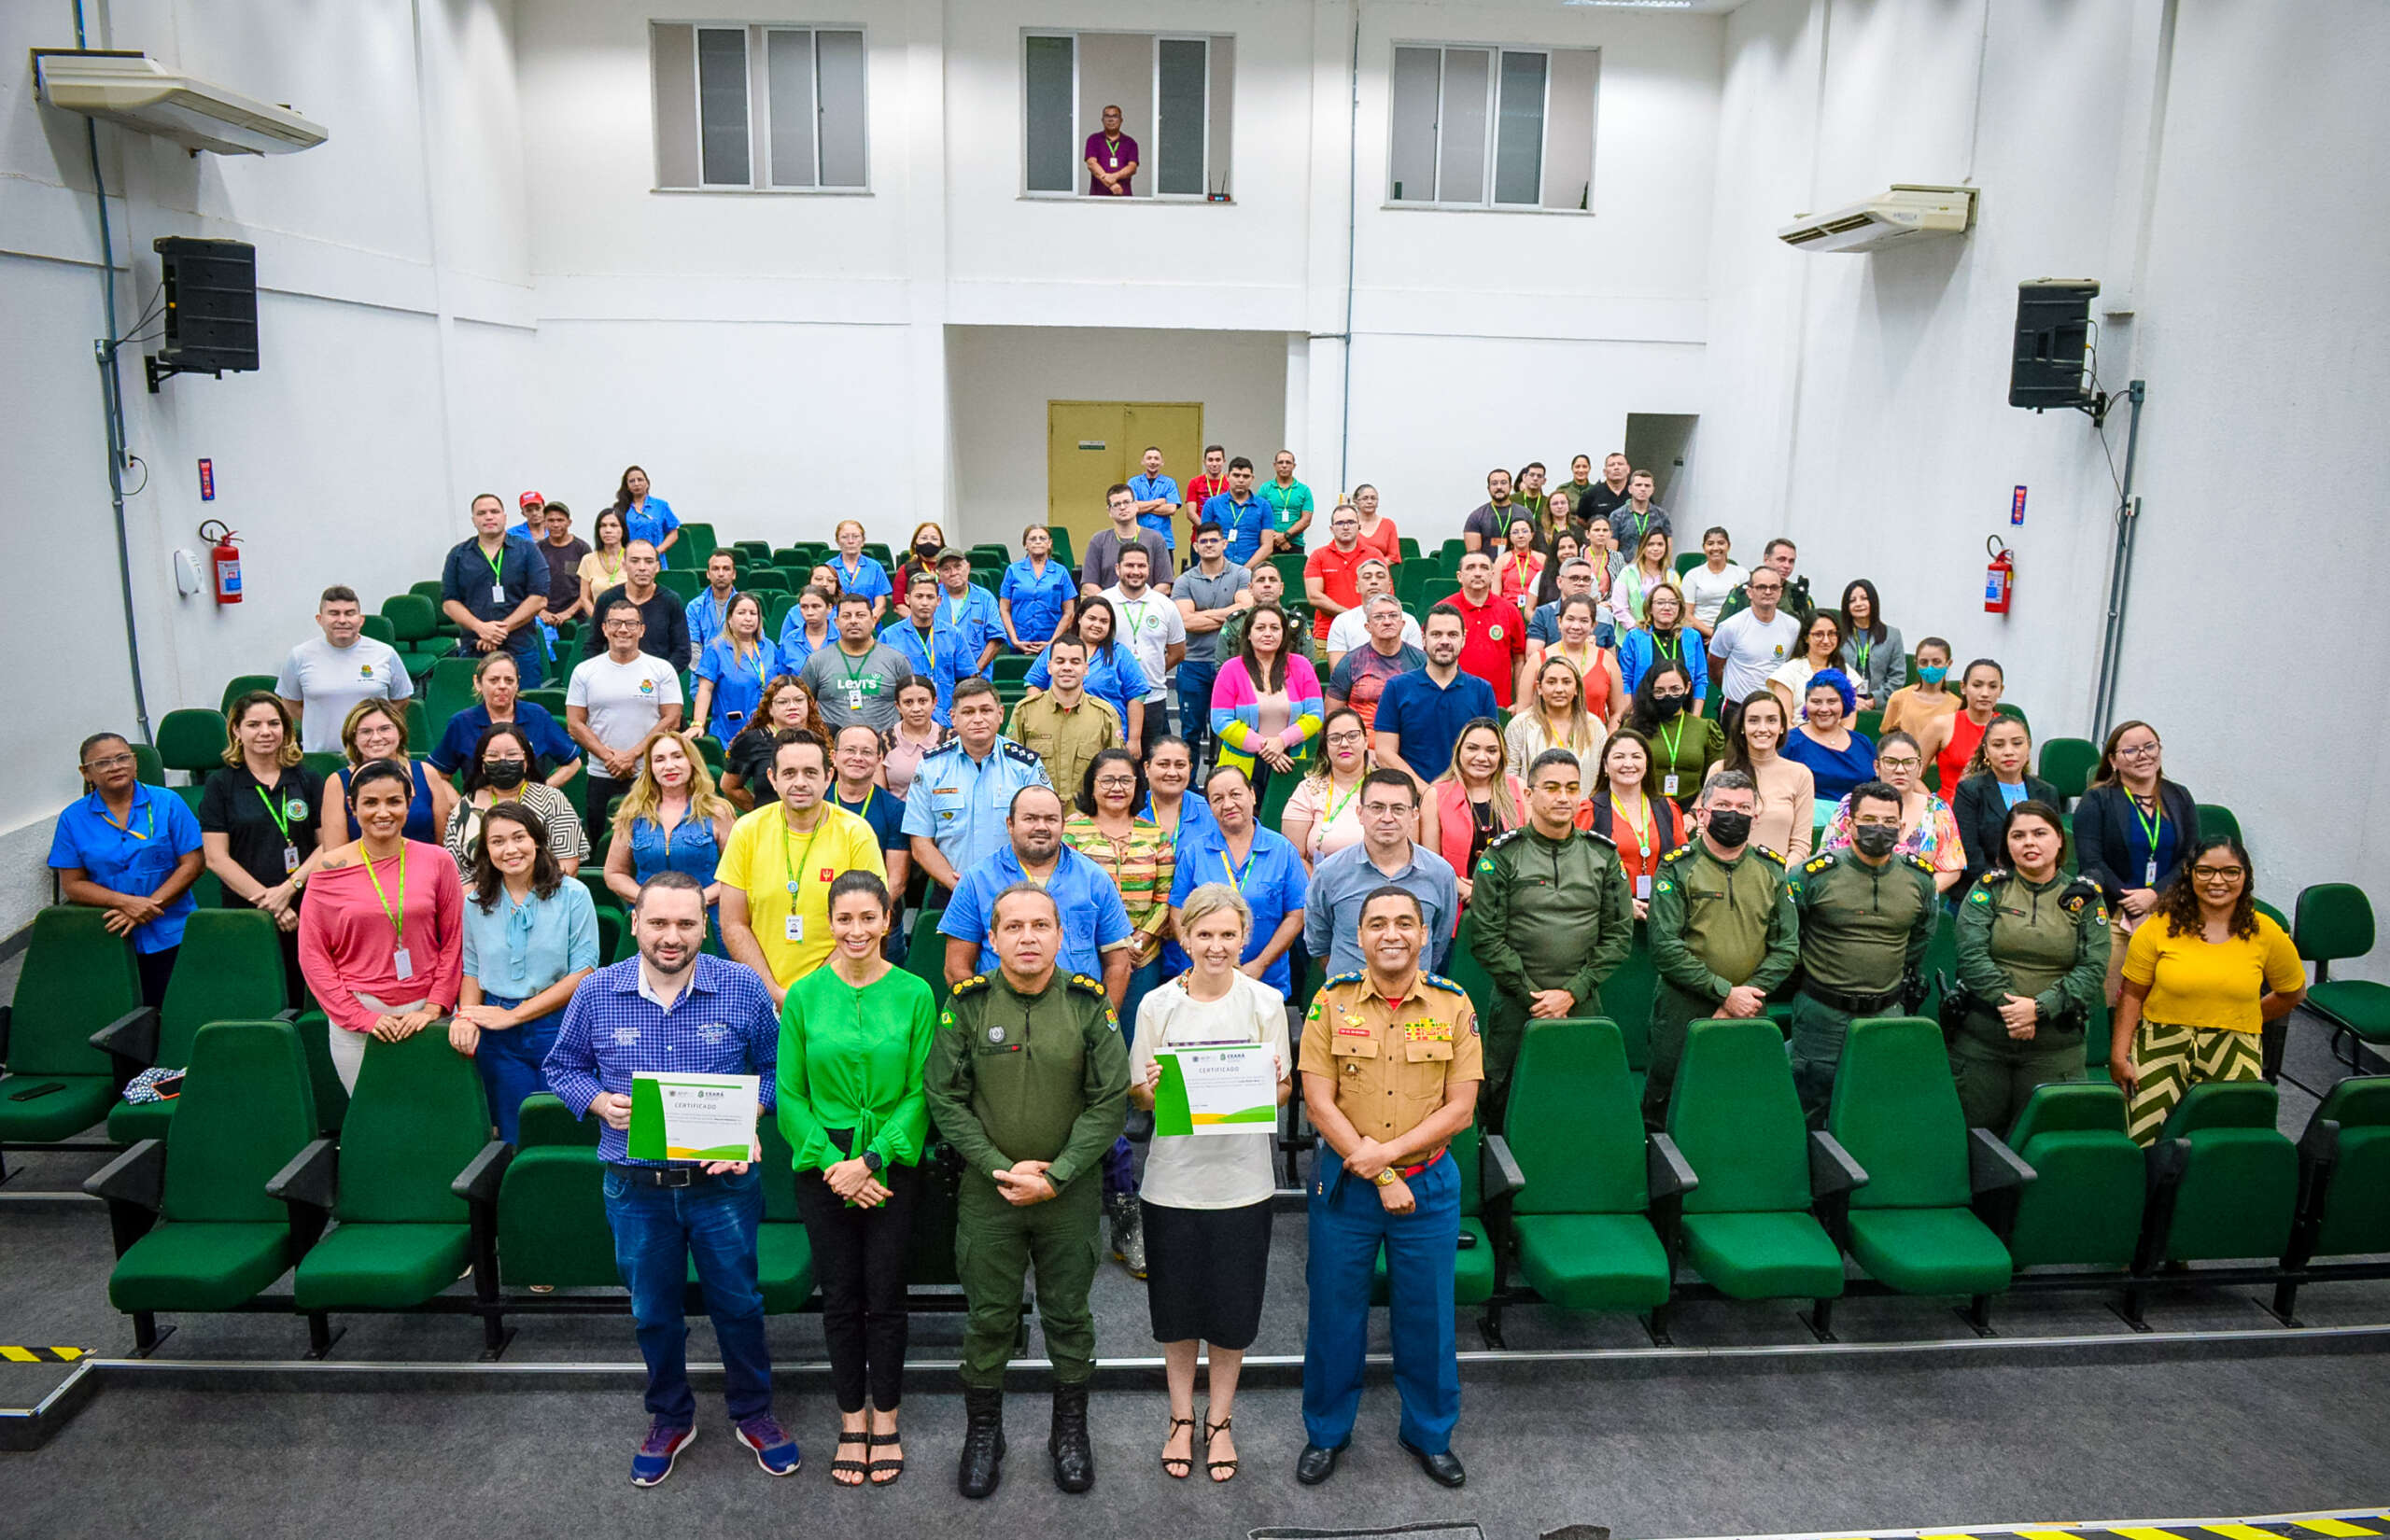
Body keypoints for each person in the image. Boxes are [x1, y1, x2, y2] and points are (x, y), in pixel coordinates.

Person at [543, 872, 796, 1484]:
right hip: (636, 1190)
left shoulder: (739, 987)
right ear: (634, 923)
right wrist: (600, 1103)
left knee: (738, 1305)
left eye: (686, 923)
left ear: (704, 927)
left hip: (723, 1187)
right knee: (653, 1311)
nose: (672, 935)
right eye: (658, 922)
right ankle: (670, 1416)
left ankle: (753, 1411)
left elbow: (775, 1070)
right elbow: (561, 1066)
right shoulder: (597, 991)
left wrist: (750, 1117)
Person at [926, 883, 1129, 1498]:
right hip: (991, 1194)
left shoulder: (1089, 1006)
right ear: (991, 939)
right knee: (989, 1318)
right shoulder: (966, 1006)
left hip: (1069, 1194)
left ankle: (1070, 1432)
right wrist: (998, 1167)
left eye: (1040, 925)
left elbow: (1110, 1100)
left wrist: (1058, 1173)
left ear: (1061, 936)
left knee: (1069, 1314)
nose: (1028, 937)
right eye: (1012, 927)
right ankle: (985, 1432)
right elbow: (945, 1099)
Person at [1297, 886, 1481, 1491]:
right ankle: (1326, 1432)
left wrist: (1392, 1162)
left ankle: (1429, 1434)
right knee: (1334, 1313)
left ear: (1426, 934)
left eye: (1406, 922)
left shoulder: (1454, 1005)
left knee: (1428, 1317)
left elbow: (1460, 1109)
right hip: (1347, 1186)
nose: (1393, 934)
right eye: (1378, 923)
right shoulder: (1331, 1001)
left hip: (1426, 1187)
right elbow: (1319, 1104)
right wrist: (1377, 1173)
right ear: (1361, 933)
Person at [775, 870, 935, 1488]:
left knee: (887, 1295)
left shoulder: (917, 993)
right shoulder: (805, 995)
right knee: (840, 1297)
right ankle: (851, 1420)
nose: (857, 929)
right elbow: (789, 1094)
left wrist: (870, 1162)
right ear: (830, 923)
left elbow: (923, 1090)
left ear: (888, 921)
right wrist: (830, 1162)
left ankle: (886, 1418)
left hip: (889, 1158)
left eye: (869, 917)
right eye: (845, 919)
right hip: (823, 1160)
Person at [1131, 883, 1289, 1484]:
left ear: (1244, 937)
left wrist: (1270, 1082)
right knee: (1175, 1312)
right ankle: (1179, 1417)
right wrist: (1149, 1085)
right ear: (1184, 937)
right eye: (1205, 935)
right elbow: (1138, 1096)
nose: (1216, 946)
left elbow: (1281, 1092)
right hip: (1172, 1182)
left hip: (1243, 1183)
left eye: (1228, 935)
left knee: (1232, 1311)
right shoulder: (1156, 1007)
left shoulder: (1265, 1003)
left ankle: (1219, 1420)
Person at [1469, 749, 1634, 1126]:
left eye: (1572, 788)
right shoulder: (1503, 857)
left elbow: (1618, 936)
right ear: (1528, 794)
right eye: (1552, 787)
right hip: (1516, 1005)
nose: (1563, 797)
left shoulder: (1602, 856)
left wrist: (1572, 992)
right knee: (1504, 1105)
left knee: (1583, 1103)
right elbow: (1486, 939)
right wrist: (1536, 997)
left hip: (1583, 1002)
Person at [2110, 835, 2306, 1144]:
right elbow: (2132, 994)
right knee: (2144, 1138)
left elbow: (2292, 993)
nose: (2218, 881)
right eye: (2205, 871)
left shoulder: (2267, 932)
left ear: (2246, 877)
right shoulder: (2157, 927)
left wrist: (2244, 1016)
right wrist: (2119, 1055)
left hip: (2235, 1043)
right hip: (2161, 1040)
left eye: (2230, 872)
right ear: (2189, 874)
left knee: (2229, 1140)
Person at [1063, 749, 1174, 1272]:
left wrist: (1135, 941)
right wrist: (1110, 945)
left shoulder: (1157, 835)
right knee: (1097, 1052)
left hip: (1142, 954)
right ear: (1092, 784)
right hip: (1085, 959)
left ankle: (1139, 1110)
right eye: (1106, 780)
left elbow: (1166, 896)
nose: (1116, 788)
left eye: (1126, 781)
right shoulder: (1069, 831)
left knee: (1136, 1042)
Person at [298, 758, 466, 1094]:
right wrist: (362, 1018)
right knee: (375, 1120)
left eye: (394, 801)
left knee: (431, 1114)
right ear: (352, 806)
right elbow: (314, 956)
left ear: (409, 802)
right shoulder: (329, 868)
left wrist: (435, 1007)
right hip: (359, 1020)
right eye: (370, 802)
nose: (383, 812)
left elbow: (455, 941)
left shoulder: (437, 860)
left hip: (428, 1015)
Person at [1643, 771, 1799, 1127]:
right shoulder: (1677, 868)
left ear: (1756, 816)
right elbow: (1666, 948)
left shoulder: (1771, 869)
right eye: (1724, 806)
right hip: (1684, 1008)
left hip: (1750, 1008)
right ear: (1702, 813)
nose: (1734, 814)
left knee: (1741, 1104)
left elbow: (1787, 947)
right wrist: (1725, 994)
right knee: (1667, 1105)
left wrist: (1744, 997)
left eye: (1744, 807)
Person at [1949, 801, 2109, 1132]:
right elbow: (1971, 956)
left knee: (2044, 1143)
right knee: (1977, 1142)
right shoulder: (1989, 888)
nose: (2029, 843)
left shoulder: (2086, 898)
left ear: (2060, 840)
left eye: (2040, 833)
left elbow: (2093, 968)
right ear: (2007, 843)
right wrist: (2013, 1009)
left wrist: (2038, 1009)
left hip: (2055, 1047)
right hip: (1984, 1043)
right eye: (2018, 835)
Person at [1786, 779, 1938, 1121]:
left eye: (1888, 822)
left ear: (1901, 827)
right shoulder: (1812, 875)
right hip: (1823, 1014)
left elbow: (1920, 940)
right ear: (1850, 824)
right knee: (1811, 1108)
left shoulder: (1920, 879)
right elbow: (1790, 938)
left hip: (1885, 1013)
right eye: (1869, 820)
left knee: (1879, 1109)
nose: (1879, 829)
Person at [451, 802, 598, 1142]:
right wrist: (466, 1016)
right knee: (512, 1133)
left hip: (560, 1026)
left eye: (519, 837)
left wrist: (515, 1016)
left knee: (563, 1128)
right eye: (498, 841)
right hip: (498, 1036)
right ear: (486, 850)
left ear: (537, 841)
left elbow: (584, 973)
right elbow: (472, 971)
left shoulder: (574, 894)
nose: (510, 849)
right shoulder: (475, 902)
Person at [717, 734, 888, 1000]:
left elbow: (868, 924)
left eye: (810, 772)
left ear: (828, 776)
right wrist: (773, 992)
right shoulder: (747, 830)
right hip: (761, 995)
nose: (800, 783)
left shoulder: (856, 833)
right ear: (773, 778)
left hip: (837, 993)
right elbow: (733, 923)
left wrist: (806, 995)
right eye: (789, 773)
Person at [52, 731, 204, 1007]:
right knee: (118, 1016)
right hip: (110, 933)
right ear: (86, 773)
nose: (116, 766)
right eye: (103, 763)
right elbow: (73, 883)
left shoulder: (167, 803)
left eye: (123, 758)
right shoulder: (72, 819)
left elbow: (193, 865)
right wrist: (126, 903)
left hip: (173, 931)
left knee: (177, 1009)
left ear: (134, 763)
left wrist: (147, 907)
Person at [941, 783, 1135, 995]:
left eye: (1051, 819)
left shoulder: (1095, 879)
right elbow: (956, 967)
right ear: (1010, 824)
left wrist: (1101, 1023)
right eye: (1030, 818)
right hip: (999, 1016)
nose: (1041, 827)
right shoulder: (977, 880)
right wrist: (985, 1018)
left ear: (1063, 825)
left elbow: (1119, 965)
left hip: (1078, 1017)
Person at [200, 693, 326, 1001]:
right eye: (253, 724)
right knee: (256, 994)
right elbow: (216, 858)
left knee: (305, 993)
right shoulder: (221, 784)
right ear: (236, 731)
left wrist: (288, 889)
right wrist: (272, 903)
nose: (265, 732)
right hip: (247, 911)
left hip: (306, 907)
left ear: (286, 729)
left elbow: (328, 847)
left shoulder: (308, 779)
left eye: (274, 723)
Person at [2074, 719, 2201, 1004]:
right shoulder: (2098, 799)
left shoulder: (2178, 796)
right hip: (2115, 914)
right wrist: (2131, 900)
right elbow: (2091, 861)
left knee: (2164, 999)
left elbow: (2191, 856)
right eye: (2131, 750)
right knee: (2111, 1001)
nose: (2143, 755)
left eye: (2149, 747)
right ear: (2113, 760)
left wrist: (2154, 895)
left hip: (2168, 911)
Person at [903, 679, 1052, 896]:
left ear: (1000, 714)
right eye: (968, 712)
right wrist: (956, 884)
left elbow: (1044, 830)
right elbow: (920, 842)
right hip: (951, 889)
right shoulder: (931, 767)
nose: (978, 719)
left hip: (1017, 889)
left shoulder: (1025, 766)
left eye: (986, 710)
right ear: (953, 718)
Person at [1166, 767, 1308, 994]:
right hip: (1202, 979)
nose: (1228, 804)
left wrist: (1260, 964)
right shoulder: (1194, 852)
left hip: (1265, 979)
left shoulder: (1282, 850)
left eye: (1235, 794)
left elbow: (1296, 915)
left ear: (1252, 795)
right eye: (1217, 799)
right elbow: (1177, 910)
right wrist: (1195, 951)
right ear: (1210, 807)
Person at [1303, 767, 1457, 975]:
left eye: (1398, 809)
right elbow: (1319, 943)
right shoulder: (1329, 873)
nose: (1387, 818)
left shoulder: (1440, 874)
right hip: (1349, 1001)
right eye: (1377, 808)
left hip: (1415, 1001)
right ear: (1360, 813)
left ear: (1414, 815)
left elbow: (1438, 942)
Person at [567, 596, 685, 830]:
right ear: (604, 628)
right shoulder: (584, 671)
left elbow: (672, 719)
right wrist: (610, 758)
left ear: (641, 630)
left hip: (649, 773)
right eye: (615, 623)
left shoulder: (662, 669)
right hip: (601, 773)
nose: (623, 629)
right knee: (601, 841)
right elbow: (574, 724)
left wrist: (632, 755)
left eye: (631, 624)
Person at [604, 733, 737, 928]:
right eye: (659, 759)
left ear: (691, 762)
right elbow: (614, 873)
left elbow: (736, 874)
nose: (669, 766)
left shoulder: (718, 812)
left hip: (707, 919)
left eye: (677, 756)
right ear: (650, 768)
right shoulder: (632, 813)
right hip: (650, 922)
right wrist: (649, 900)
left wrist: (694, 901)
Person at [1820, 729, 1961, 894]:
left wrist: (1918, 895)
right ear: (1877, 767)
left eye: (1909, 762)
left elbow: (1951, 868)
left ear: (1920, 767)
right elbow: (1828, 856)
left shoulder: (1937, 809)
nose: (1900, 770)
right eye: (1891, 762)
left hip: (1916, 900)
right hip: (1853, 895)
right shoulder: (1851, 803)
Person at [277, 585, 414, 754]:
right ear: (319, 619)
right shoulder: (299, 656)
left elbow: (401, 699)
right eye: (334, 613)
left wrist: (375, 725)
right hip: (323, 755)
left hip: (374, 754)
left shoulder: (385, 653)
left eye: (350, 613)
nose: (342, 620)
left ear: (361, 619)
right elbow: (290, 702)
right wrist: (319, 721)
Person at [1375, 606, 1499, 790]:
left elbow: (1489, 751)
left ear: (1463, 640)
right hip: (1412, 797)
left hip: (1466, 798)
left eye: (1452, 635)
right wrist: (1426, 792)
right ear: (1424, 639)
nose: (1444, 641)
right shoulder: (1397, 687)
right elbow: (1385, 753)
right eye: (1436, 634)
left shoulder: (1482, 690)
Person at [443, 722, 590, 876]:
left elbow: (567, 865)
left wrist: (529, 898)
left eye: (512, 754)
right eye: (493, 755)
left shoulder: (552, 800)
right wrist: (484, 898)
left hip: (544, 893)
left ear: (526, 761)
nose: (503, 761)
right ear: (483, 764)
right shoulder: (465, 806)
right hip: (479, 896)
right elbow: (455, 872)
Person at [1208, 602, 1322, 792]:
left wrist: (1282, 741)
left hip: (1289, 760)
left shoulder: (1301, 666)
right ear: (1248, 634)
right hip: (1240, 764)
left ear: (1284, 634)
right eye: (1260, 628)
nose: (1268, 633)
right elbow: (1220, 721)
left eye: (1275, 628)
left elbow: (1315, 715)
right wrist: (1267, 748)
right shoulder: (1231, 669)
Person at [428, 651, 582, 791]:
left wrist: (541, 793)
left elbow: (573, 763)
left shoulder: (537, 716)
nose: (502, 686)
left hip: (530, 813)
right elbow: (437, 775)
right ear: (478, 682)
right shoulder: (461, 722)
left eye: (509, 680)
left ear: (518, 683)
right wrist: (464, 809)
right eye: (494, 680)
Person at [443, 493, 550, 685]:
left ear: (505, 517)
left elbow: (539, 598)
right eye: (482, 513)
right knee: (477, 709)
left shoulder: (528, 550)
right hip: (475, 647)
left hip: (520, 647)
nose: (489, 517)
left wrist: (501, 629)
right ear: (474, 520)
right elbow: (449, 603)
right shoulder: (458, 555)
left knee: (524, 707)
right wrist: (480, 628)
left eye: (494, 511)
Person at [321, 700, 457, 847]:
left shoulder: (427, 772)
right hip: (362, 869)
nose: (376, 738)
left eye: (384, 729)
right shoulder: (337, 782)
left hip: (424, 868)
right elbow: (335, 852)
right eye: (366, 732)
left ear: (399, 732)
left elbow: (443, 842)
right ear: (354, 738)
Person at [1173, 521, 1254, 760]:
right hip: (1194, 663)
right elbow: (1186, 622)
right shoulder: (1185, 581)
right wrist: (1229, 615)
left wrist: (1202, 614)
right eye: (1203, 542)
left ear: (1224, 543)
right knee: (1190, 732)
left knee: (1233, 730)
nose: (1208, 545)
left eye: (1213, 540)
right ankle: (1189, 787)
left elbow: (1245, 612)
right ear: (1196, 546)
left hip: (1234, 663)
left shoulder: (1242, 574)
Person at [1952, 714, 2058, 898]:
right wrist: (2006, 888)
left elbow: (2054, 845)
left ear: (2028, 746)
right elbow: (1969, 851)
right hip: (1985, 889)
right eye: (1998, 745)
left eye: (2017, 743)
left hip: (2037, 890)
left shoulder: (2046, 792)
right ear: (1986, 751)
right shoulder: (1970, 790)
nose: (2008, 751)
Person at [1006, 633, 1120, 802]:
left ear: (1086, 668)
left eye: (1075, 662)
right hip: (1037, 816)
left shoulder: (1105, 715)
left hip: (1087, 819)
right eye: (1060, 661)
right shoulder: (1025, 712)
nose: (1067, 667)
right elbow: (1010, 768)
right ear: (1049, 666)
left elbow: (1116, 772)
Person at [1422, 719, 1524, 905]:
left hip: (1511, 902)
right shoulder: (1435, 796)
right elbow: (1431, 864)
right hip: (1456, 902)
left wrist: (1494, 891)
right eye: (1472, 748)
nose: (1482, 757)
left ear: (1502, 756)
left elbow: (1531, 854)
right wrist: (1468, 891)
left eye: (1491, 751)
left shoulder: (1519, 789)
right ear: (1458, 750)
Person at [1582, 727, 1684, 914]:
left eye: (1636, 757)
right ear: (1605, 765)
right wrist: (1621, 903)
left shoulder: (1667, 808)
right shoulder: (1588, 812)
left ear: (1647, 764)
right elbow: (1578, 874)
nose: (1628, 764)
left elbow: (1682, 864)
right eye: (1619, 757)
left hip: (1660, 912)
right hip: (1607, 915)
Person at [1023, 596, 1150, 744]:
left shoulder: (1120, 654)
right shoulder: (1057, 648)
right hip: (1059, 733)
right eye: (1092, 618)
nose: (1097, 625)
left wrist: (1134, 740)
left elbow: (1137, 695)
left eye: (1104, 621)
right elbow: (1034, 683)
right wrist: (1041, 717)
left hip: (1107, 736)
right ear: (1079, 618)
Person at [1713, 690, 1815, 866]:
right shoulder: (1720, 770)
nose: (1762, 728)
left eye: (1771, 720)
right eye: (1753, 720)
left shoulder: (1800, 774)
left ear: (1782, 726)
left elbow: (1801, 845)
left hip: (1778, 880)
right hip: (1723, 877)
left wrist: (1778, 876)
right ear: (1742, 727)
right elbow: (1705, 832)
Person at [800, 593, 916, 738]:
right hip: (833, 750)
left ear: (874, 620)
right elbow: (802, 706)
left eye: (860, 615)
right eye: (846, 616)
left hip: (886, 750)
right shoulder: (816, 662)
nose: (853, 621)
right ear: (836, 622)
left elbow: (912, 706)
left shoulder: (897, 661)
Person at [1283, 708, 1377, 870]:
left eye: (1353, 736)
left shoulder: (1387, 788)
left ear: (1366, 741)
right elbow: (1294, 858)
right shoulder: (1308, 790)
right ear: (1325, 746)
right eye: (1335, 738)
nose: (1344, 743)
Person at [1710, 566, 1803, 725]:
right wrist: (1729, 689)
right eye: (1761, 587)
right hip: (1736, 708)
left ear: (1780, 592)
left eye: (1774, 587)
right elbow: (1714, 665)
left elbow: (1789, 666)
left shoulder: (1793, 626)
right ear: (1749, 592)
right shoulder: (1730, 627)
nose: (1768, 591)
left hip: (1774, 708)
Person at [1324, 595, 1426, 734]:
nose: (1387, 622)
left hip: (1411, 743)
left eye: (1393, 615)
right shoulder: (1350, 663)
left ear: (1402, 624)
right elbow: (1332, 716)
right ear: (1368, 627)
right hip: (1363, 746)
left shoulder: (1422, 662)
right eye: (1378, 617)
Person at [689, 593, 781, 743]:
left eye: (753, 613)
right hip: (731, 733)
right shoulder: (716, 649)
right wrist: (698, 723)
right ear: (730, 619)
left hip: (769, 732)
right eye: (741, 613)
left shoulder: (769, 647)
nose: (748, 618)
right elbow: (705, 689)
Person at [876, 573, 967, 725]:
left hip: (945, 720)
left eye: (930, 597)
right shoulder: (888, 636)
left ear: (938, 601)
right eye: (919, 596)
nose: (925, 602)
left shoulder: (954, 635)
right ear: (907, 599)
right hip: (903, 719)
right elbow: (881, 683)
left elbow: (966, 679)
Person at [1629, 660, 1722, 808]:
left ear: (1687, 687)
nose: (1668, 695)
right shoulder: (1634, 727)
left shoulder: (1705, 729)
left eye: (1675, 689)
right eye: (1660, 691)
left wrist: (1694, 813)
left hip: (1692, 811)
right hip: (1643, 808)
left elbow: (1716, 779)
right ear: (1651, 691)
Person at [581, 541, 691, 666]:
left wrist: (660, 676)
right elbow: (592, 646)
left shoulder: (671, 601)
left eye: (649, 561)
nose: (642, 567)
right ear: (624, 565)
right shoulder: (606, 599)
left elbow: (682, 652)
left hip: (657, 680)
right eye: (635, 561)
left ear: (657, 567)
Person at [1780, 670, 1877, 813]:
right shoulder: (1789, 742)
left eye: (1832, 701)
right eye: (1816, 702)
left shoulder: (1862, 743)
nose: (1824, 709)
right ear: (1806, 704)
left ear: (1844, 703)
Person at [1527, 595, 1626, 729]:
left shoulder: (1607, 660)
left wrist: (1607, 743)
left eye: (1584, 621)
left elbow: (1618, 712)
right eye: (1570, 619)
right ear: (1559, 622)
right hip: (1547, 743)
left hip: (1594, 743)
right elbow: (1524, 712)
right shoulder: (1537, 661)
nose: (1576, 626)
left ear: (1593, 626)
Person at [1446, 551, 1526, 711]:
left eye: (1483, 568)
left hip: (1498, 704)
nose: (1477, 573)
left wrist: (1519, 701)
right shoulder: (1444, 611)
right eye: (1470, 568)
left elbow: (1519, 659)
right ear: (1459, 576)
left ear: (1492, 575)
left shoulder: (1509, 611)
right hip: (1451, 703)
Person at [721, 679, 816, 812]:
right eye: (783, 702)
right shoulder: (751, 740)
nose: (792, 706)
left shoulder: (827, 736)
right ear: (770, 708)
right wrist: (761, 813)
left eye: (799, 700)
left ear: (809, 703)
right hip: (770, 826)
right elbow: (729, 787)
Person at [1918, 658, 2006, 795]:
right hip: (1950, 811)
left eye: (1993, 687)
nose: (1985, 693)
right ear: (1963, 687)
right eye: (1977, 685)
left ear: (2001, 690)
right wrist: (1935, 805)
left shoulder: (2008, 728)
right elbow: (1912, 774)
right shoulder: (1941, 725)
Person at [1505, 655, 1607, 773]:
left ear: (1576, 689)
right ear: (1539, 688)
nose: (1559, 689)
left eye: (1566, 682)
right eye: (1551, 682)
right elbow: (1510, 777)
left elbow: (1603, 777)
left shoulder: (1594, 726)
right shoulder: (1520, 725)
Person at [1616, 581, 1708, 704]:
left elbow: (1700, 680)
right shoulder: (1635, 637)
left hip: (1684, 713)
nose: (1667, 607)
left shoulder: (1692, 637)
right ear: (1650, 607)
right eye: (1660, 603)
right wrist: (1631, 715)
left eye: (1673, 603)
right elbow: (1625, 679)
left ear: (1680, 607)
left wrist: (1695, 717)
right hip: (1645, 713)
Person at [1082, 484, 1172, 596]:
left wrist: (1144, 603)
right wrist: (1111, 605)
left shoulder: (1155, 539)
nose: (1123, 507)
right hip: (1109, 610)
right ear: (1109, 511)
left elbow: (1164, 585)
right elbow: (1089, 586)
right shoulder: (1098, 541)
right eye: (1117, 504)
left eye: (1127, 502)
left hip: (1147, 609)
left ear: (1135, 505)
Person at [1324, 559, 1420, 663]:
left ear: (1390, 586)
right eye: (1367, 577)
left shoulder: (1409, 621)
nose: (1374, 581)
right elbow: (1338, 670)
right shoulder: (1342, 621)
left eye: (1380, 576)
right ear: (1357, 587)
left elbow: (1417, 664)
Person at [1000, 525, 1075, 656]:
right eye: (1032, 539)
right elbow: (1004, 609)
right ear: (1025, 545)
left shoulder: (1061, 572)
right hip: (1018, 644)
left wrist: (1052, 642)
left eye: (1042, 538)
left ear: (1050, 543)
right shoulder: (1013, 570)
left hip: (1051, 645)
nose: (1038, 541)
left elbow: (1069, 612)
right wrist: (1015, 640)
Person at [1304, 502, 1373, 642]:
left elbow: (1385, 592)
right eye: (1340, 523)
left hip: (1368, 633)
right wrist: (1351, 616)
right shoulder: (1318, 556)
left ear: (1359, 527)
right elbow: (1314, 596)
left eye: (1351, 522)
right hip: (1327, 635)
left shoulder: (1374, 556)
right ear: (1332, 528)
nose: (1346, 527)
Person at [879, 678, 952, 804]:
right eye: (908, 702)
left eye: (923, 701)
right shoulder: (884, 741)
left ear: (934, 703)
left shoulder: (951, 740)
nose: (916, 709)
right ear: (898, 706)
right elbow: (879, 795)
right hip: (898, 819)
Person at [934, 548, 1005, 677]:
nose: (953, 573)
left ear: (968, 567)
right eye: (946, 569)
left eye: (957, 566)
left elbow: (996, 639)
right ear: (938, 574)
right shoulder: (931, 597)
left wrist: (976, 672)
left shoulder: (985, 598)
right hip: (940, 678)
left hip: (977, 679)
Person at [1717, 537, 1815, 629]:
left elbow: (1810, 632)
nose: (1787, 565)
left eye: (1791, 561)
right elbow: (1722, 627)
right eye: (1781, 559)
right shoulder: (1744, 592)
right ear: (1766, 559)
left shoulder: (1797, 594)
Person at [1835, 580, 1903, 712]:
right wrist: (1849, 699)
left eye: (1864, 598)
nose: (1858, 604)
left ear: (1873, 601)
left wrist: (1875, 701)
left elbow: (1897, 676)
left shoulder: (1892, 635)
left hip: (1880, 707)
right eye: (1852, 600)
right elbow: (1831, 670)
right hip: (1842, 704)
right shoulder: (1836, 634)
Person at [1139, 735, 1216, 847]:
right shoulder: (1132, 808)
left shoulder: (1208, 811)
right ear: (1147, 768)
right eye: (1163, 764)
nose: (1172, 773)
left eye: (1180, 765)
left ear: (1190, 769)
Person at [1768, 611, 1846, 722]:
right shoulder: (1788, 672)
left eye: (1832, 634)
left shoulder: (1845, 670)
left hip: (1836, 738)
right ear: (1806, 638)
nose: (1826, 640)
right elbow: (1784, 722)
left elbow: (1848, 723)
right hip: (1797, 736)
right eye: (1819, 634)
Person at [1880, 636, 1960, 740]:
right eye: (1924, 662)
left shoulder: (1956, 704)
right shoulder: (1899, 698)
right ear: (1916, 664)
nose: (1930, 667)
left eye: (1936, 662)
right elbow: (1887, 736)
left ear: (1948, 663)